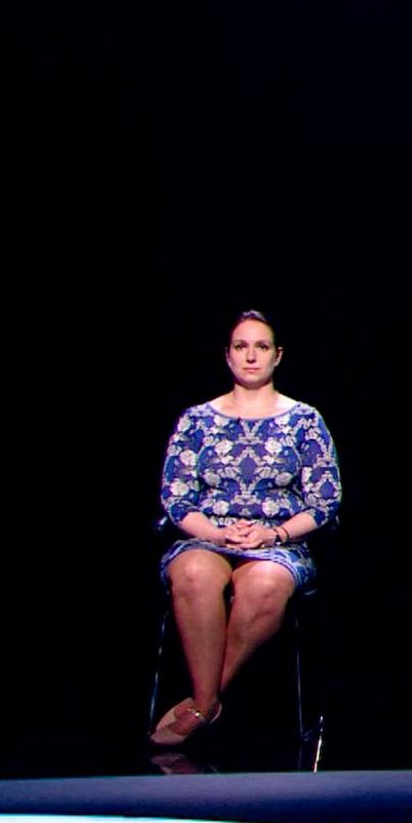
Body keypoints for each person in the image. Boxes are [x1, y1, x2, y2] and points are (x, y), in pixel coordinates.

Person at [150, 310, 342, 747]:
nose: (251, 356)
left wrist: (272, 536)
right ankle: (206, 702)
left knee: (266, 584)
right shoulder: (196, 420)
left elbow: (325, 501)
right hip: (208, 535)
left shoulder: (304, 421)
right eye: (241, 347)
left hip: (277, 541)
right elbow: (177, 498)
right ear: (228, 356)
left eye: (260, 347)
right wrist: (218, 535)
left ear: (277, 356)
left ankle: (201, 704)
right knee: (194, 573)